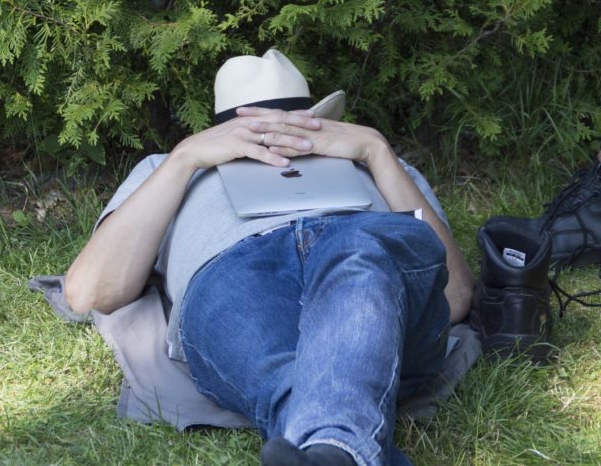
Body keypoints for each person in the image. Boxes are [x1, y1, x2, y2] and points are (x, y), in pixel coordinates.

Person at [64, 49, 474, 466]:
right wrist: (186, 157)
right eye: (260, 132)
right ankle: (336, 451)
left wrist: (376, 150)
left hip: (355, 246)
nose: (279, 141)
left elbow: (453, 297)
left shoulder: (378, 160)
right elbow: (89, 291)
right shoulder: (166, 166)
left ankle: (331, 450)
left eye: (294, 127)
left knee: (359, 255)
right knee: (279, 369)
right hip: (236, 269)